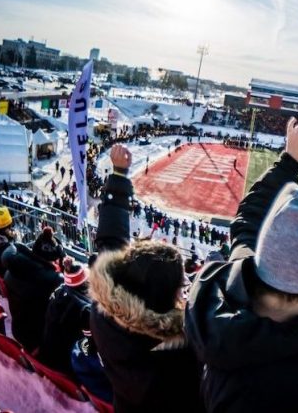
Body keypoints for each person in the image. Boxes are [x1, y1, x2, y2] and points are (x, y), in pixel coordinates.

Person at [185, 117, 298, 413]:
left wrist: (289, 160)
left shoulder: (218, 304)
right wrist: (290, 160)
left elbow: (248, 217)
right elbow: (247, 221)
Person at [89, 144, 203, 413]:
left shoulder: (102, 310)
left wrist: (118, 175)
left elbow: (110, 244)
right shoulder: (184, 350)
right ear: (168, 295)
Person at [2, 228, 65, 351]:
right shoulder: (52, 283)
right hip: (37, 338)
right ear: (54, 261)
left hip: (19, 329)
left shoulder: (13, 268)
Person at [39, 258, 92, 375]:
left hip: (49, 354)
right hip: (66, 364)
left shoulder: (58, 292)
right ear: (84, 284)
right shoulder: (84, 310)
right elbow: (90, 346)